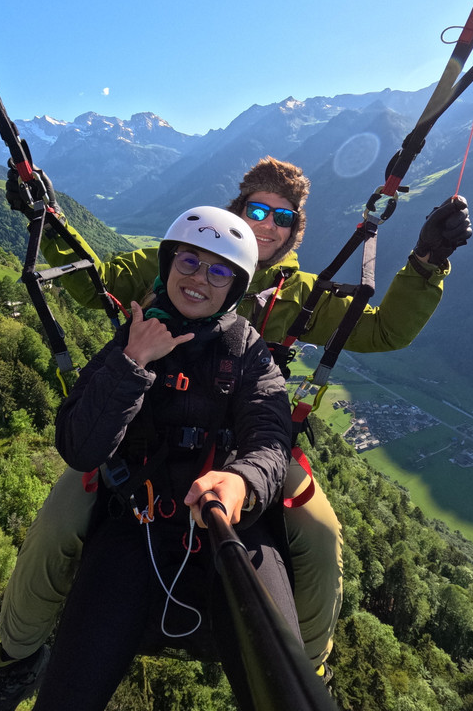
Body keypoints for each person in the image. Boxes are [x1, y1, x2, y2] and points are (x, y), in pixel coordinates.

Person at [0, 158, 471, 709]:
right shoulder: (175, 262)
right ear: (237, 210)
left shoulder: (299, 294)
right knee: (55, 526)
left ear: (293, 231)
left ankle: (308, 669)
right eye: (257, 208)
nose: (267, 223)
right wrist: (47, 218)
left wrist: (427, 264)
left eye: (282, 217)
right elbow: (96, 286)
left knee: (321, 537)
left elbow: (383, 329)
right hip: (141, 427)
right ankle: (16, 661)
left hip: (252, 440)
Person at [30, 206, 296, 710]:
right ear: (168, 264)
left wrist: (242, 482)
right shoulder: (131, 338)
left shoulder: (247, 352)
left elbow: (269, 436)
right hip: (137, 524)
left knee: (281, 679)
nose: (199, 280)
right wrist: (133, 363)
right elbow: (79, 448)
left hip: (230, 529)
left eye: (219, 272)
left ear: (235, 289)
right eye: (189, 262)